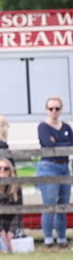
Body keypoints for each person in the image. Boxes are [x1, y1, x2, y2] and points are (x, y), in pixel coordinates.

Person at [37, 96, 72, 247]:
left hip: (64, 166)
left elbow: (70, 144)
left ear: (61, 110)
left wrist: (58, 142)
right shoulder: (43, 127)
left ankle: (62, 239)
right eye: (51, 108)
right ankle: (48, 239)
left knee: (63, 204)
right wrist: (61, 144)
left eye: (57, 108)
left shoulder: (66, 127)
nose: (54, 111)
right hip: (48, 166)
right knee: (49, 204)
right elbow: (47, 143)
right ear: (46, 110)